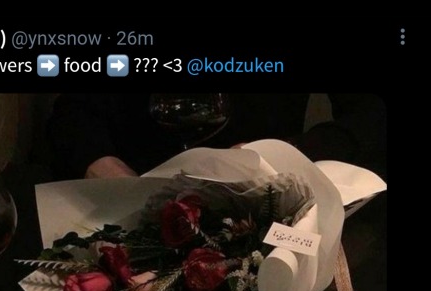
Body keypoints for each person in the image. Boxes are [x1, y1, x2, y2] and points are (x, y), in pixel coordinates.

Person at [49, 93, 386, 180]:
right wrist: (101, 163)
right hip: (138, 199)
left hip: (265, 199)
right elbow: (73, 111)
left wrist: (288, 151)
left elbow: (372, 112)